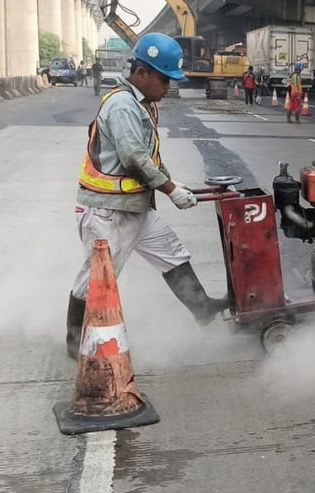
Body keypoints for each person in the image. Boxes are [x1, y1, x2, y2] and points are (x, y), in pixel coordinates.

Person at [65, 33, 230, 360]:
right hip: (108, 211)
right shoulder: (124, 106)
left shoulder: (143, 104)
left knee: (172, 253)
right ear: (141, 73)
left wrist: (172, 182)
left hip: (134, 206)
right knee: (98, 279)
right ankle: (75, 343)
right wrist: (170, 191)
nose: (168, 86)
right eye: (164, 78)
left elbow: (149, 157)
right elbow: (133, 159)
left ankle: (202, 309)